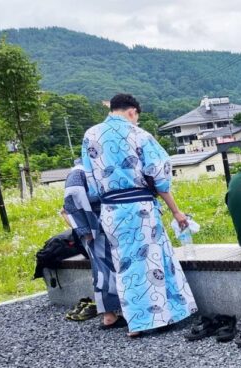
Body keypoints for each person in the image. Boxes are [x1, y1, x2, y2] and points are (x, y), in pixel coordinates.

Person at [81, 93, 197, 337]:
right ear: (132, 111)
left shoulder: (90, 136)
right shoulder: (139, 135)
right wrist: (176, 211)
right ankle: (150, 320)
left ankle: (139, 319)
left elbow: (90, 181)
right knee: (150, 261)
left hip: (110, 210)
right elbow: (161, 177)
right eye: (137, 118)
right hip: (139, 208)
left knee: (125, 265)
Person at [61, 158, 123, 328]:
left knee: (109, 268)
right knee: (104, 270)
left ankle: (114, 313)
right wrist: (85, 230)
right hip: (96, 227)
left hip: (105, 224)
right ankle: (110, 315)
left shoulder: (90, 168)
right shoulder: (79, 172)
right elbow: (70, 205)